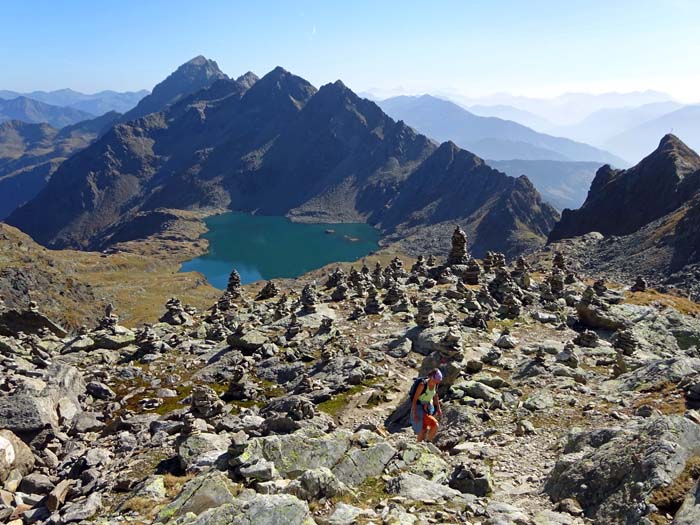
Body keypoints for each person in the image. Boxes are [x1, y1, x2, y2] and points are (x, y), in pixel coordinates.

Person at [411, 368, 443, 442]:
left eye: (438, 382)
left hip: (428, 408)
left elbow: (435, 396)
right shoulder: (422, 385)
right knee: (426, 428)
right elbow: (415, 400)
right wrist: (414, 414)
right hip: (420, 408)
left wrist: (438, 409)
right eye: (436, 381)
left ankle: (423, 444)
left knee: (426, 428)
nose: (437, 383)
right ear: (432, 377)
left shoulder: (435, 385)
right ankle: (422, 444)